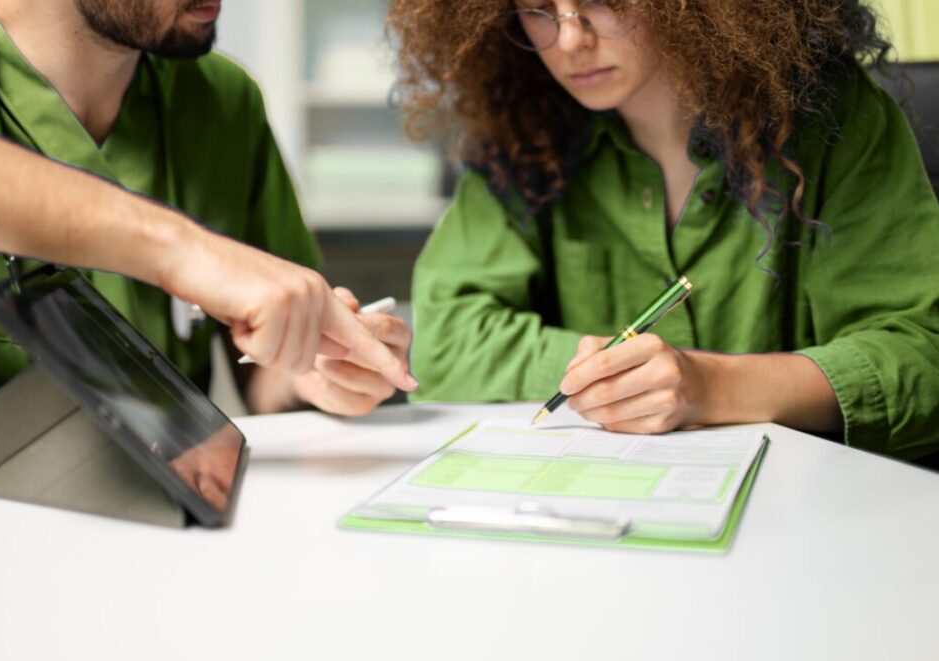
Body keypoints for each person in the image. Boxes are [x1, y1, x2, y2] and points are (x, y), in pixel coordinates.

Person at [388, 0, 939, 459]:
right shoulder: (521, 132)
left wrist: (708, 386)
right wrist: (624, 380)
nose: (570, 40)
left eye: (604, 1)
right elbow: (446, 345)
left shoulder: (837, 118)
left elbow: (921, 356)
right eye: (538, 9)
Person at [0, 0, 417, 446]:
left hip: (162, 519)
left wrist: (312, 371)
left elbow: (261, 377)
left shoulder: (223, 102)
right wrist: (179, 249)